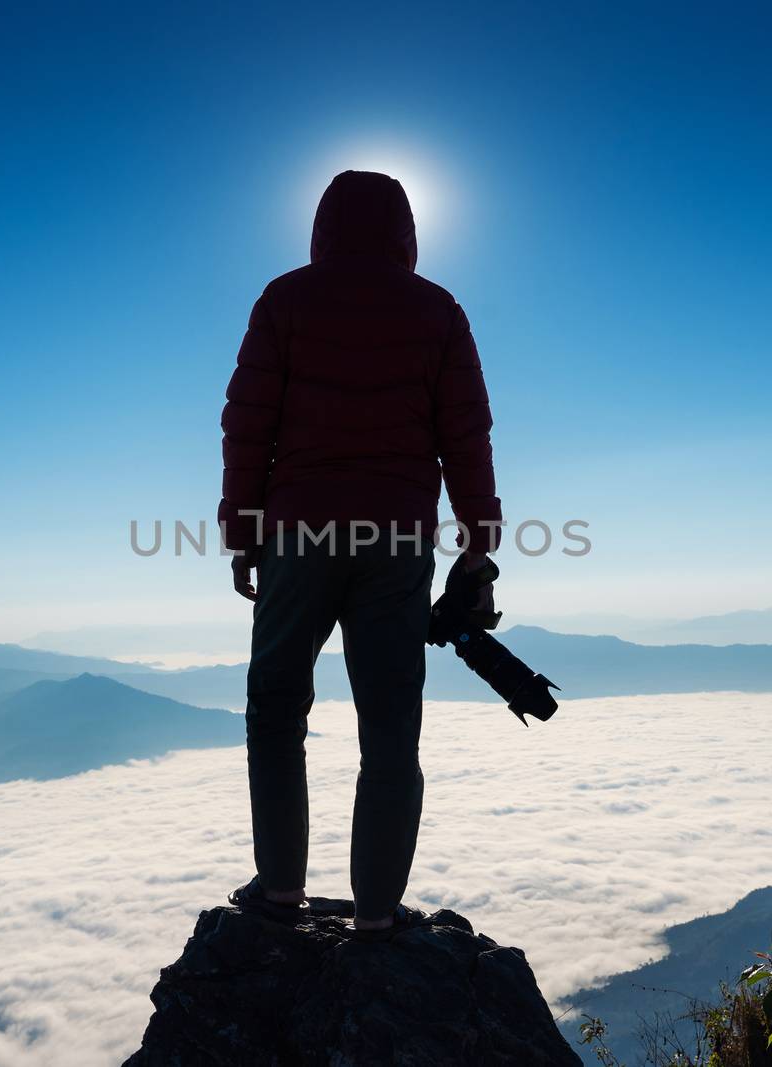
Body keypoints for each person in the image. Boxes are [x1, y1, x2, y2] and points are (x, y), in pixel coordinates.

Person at [218, 170, 500, 935]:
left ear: (321, 227)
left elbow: (248, 426)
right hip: (396, 536)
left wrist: (244, 533)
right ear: (407, 232)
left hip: (296, 533)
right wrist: (477, 549)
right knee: (389, 726)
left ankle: (279, 891)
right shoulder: (438, 310)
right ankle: (376, 915)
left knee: (276, 709)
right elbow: (466, 439)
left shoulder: (284, 300)